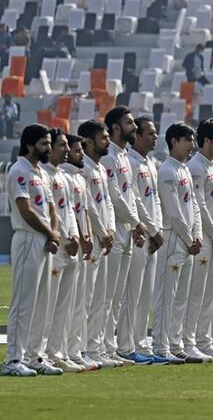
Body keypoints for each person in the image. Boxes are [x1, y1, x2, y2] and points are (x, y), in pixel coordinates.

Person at [2, 124, 61, 377]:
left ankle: (34, 355)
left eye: (49, 143)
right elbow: (25, 210)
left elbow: (51, 209)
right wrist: (50, 233)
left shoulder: (42, 172)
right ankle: (13, 359)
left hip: (45, 239)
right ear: (29, 145)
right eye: (44, 144)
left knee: (42, 303)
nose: (49, 148)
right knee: (24, 302)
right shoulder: (19, 171)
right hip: (28, 238)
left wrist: (54, 233)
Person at [152, 122, 202, 364]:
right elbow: (172, 212)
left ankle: (175, 343)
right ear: (173, 141)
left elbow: (194, 205)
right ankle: (161, 347)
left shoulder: (183, 171)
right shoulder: (166, 171)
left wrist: (198, 235)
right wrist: (190, 238)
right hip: (173, 238)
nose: (192, 146)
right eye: (187, 140)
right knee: (166, 295)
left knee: (181, 297)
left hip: (188, 241)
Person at [101, 106, 147, 366]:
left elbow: (132, 196)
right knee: (107, 296)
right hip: (115, 230)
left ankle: (110, 348)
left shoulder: (124, 157)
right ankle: (101, 349)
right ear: (116, 127)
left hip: (127, 231)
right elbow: (115, 197)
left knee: (117, 297)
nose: (134, 128)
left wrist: (136, 225)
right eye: (130, 123)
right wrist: (136, 222)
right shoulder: (108, 158)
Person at [123, 118, 168, 365]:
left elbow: (155, 201)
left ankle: (140, 343)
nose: (155, 137)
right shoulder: (129, 162)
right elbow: (136, 201)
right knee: (132, 294)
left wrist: (158, 229)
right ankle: (127, 344)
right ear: (137, 135)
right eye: (150, 133)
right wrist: (151, 229)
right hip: (138, 235)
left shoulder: (150, 163)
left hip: (152, 236)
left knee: (144, 296)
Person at [184, 119, 213, 363]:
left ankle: (204, 341)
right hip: (202, 237)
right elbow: (199, 205)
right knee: (196, 293)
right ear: (207, 140)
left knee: (209, 292)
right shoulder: (195, 167)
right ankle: (189, 342)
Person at [41, 129, 83, 373]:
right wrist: (66, 238)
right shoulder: (44, 175)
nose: (66, 149)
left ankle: (57, 352)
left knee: (65, 305)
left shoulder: (64, 177)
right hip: (56, 247)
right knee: (48, 303)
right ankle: (43, 353)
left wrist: (75, 235)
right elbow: (50, 214)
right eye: (62, 145)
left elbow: (70, 213)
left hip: (71, 247)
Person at [58, 135, 100, 370]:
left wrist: (88, 236)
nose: (80, 154)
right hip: (68, 244)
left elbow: (85, 212)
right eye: (76, 150)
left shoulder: (78, 178)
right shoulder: (63, 176)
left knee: (80, 302)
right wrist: (77, 236)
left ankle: (74, 350)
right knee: (66, 303)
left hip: (83, 243)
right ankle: (61, 351)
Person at [78, 120, 116, 368]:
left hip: (104, 239)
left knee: (102, 298)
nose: (108, 142)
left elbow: (108, 203)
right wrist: (102, 232)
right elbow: (89, 207)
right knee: (86, 298)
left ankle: (95, 347)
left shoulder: (101, 169)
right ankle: (81, 348)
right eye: (103, 138)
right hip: (92, 240)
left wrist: (111, 228)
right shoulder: (83, 169)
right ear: (88, 142)